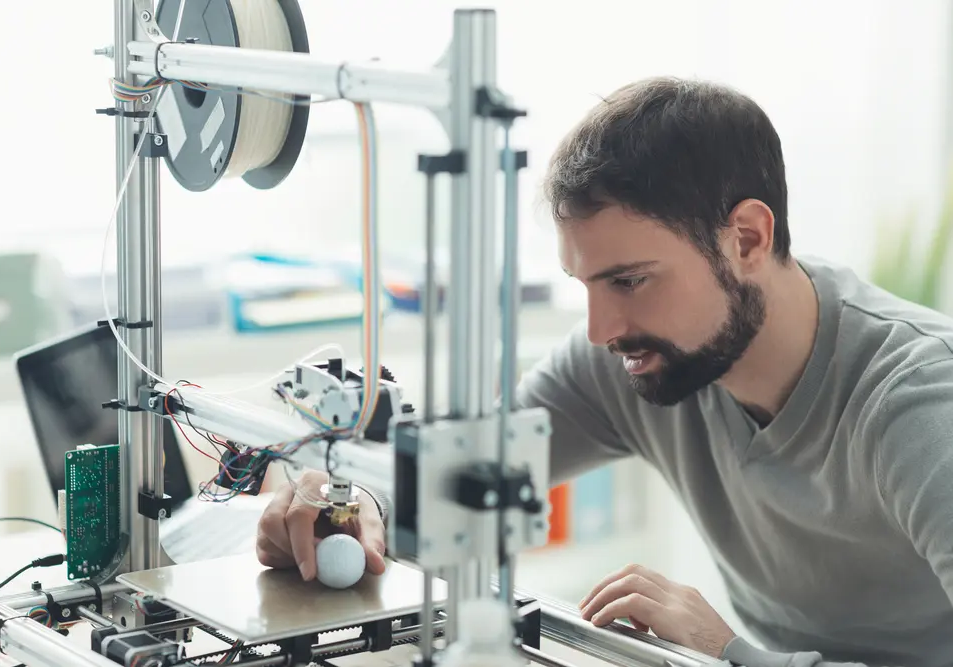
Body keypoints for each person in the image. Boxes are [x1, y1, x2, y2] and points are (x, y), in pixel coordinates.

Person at [254, 77, 953, 667]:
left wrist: (732, 651)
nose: (600, 331)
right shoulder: (632, 357)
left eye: (630, 280)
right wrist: (350, 508)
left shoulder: (920, 404)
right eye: (584, 284)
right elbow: (467, 479)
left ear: (747, 238)